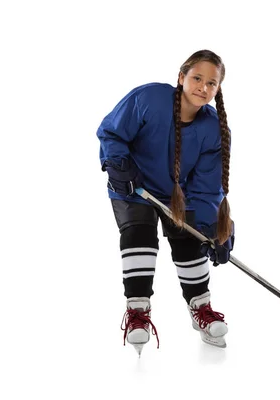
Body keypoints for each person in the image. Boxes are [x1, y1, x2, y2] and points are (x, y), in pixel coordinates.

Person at [96, 49, 235, 355]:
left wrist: (211, 227)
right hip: (133, 186)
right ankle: (137, 313)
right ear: (181, 77)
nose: (203, 87)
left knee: (190, 239)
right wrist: (118, 164)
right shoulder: (148, 99)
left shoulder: (215, 129)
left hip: (176, 195)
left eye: (211, 83)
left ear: (217, 90)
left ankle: (201, 308)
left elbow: (208, 186)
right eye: (197, 78)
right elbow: (111, 132)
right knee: (139, 235)